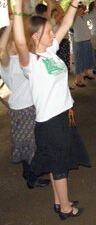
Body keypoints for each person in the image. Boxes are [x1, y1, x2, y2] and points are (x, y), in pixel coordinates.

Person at [6, 0, 90, 220]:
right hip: (51, 122)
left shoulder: (50, 51)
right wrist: (17, 3)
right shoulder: (30, 62)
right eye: (47, 31)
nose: (53, 33)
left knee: (57, 162)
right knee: (60, 165)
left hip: (62, 117)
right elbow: (20, 41)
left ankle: (58, 201)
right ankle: (65, 209)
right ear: (35, 36)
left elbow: (66, 22)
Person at [0, 17, 50, 189]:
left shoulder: (21, 58)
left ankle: (30, 173)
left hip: (28, 105)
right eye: (13, 40)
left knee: (31, 141)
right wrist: (11, 25)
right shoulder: (6, 62)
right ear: (8, 44)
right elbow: (1, 47)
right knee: (29, 143)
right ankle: (31, 178)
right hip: (23, 108)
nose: (17, 41)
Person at [72, 2, 96, 87]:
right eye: (80, 8)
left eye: (82, 8)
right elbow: (73, 12)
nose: (82, 9)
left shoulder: (84, 17)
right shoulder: (73, 18)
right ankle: (77, 80)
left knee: (86, 58)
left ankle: (86, 74)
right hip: (79, 42)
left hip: (87, 40)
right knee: (79, 60)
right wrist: (73, 2)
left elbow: (93, 12)